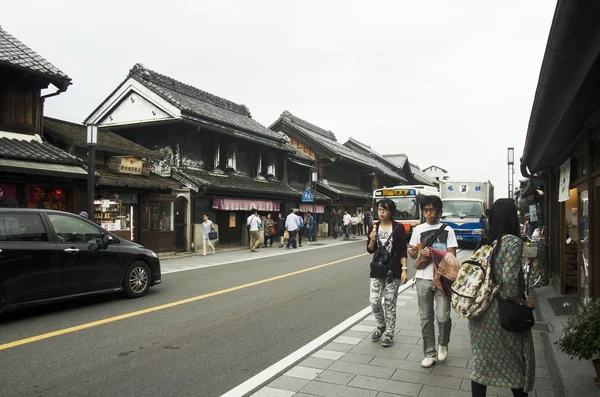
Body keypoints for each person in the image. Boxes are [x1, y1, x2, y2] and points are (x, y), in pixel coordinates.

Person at [469, 199, 535, 397]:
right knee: (514, 364)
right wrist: (522, 302)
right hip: (502, 314)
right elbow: (510, 282)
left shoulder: (486, 241)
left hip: (480, 313)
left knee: (481, 365)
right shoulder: (512, 242)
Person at [408, 195, 458, 368]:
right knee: (425, 318)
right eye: (426, 210)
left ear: (438, 211)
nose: (428, 213)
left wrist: (434, 253)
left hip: (442, 279)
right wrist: (413, 252)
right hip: (423, 277)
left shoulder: (448, 230)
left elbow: (452, 256)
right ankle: (429, 353)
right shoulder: (418, 229)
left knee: (443, 317)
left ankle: (443, 343)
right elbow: (414, 253)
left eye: (432, 210)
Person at [367, 198, 409, 347]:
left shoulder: (398, 228)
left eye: (384, 209)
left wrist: (404, 270)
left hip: (393, 270)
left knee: (390, 302)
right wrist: (372, 239)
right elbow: (370, 249)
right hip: (378, 269)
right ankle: (381, 324)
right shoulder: (374, 226)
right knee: (374, 301)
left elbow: (402, 250)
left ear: (391, 211)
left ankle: (389, 333)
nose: (381, 212)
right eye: (379, 209)